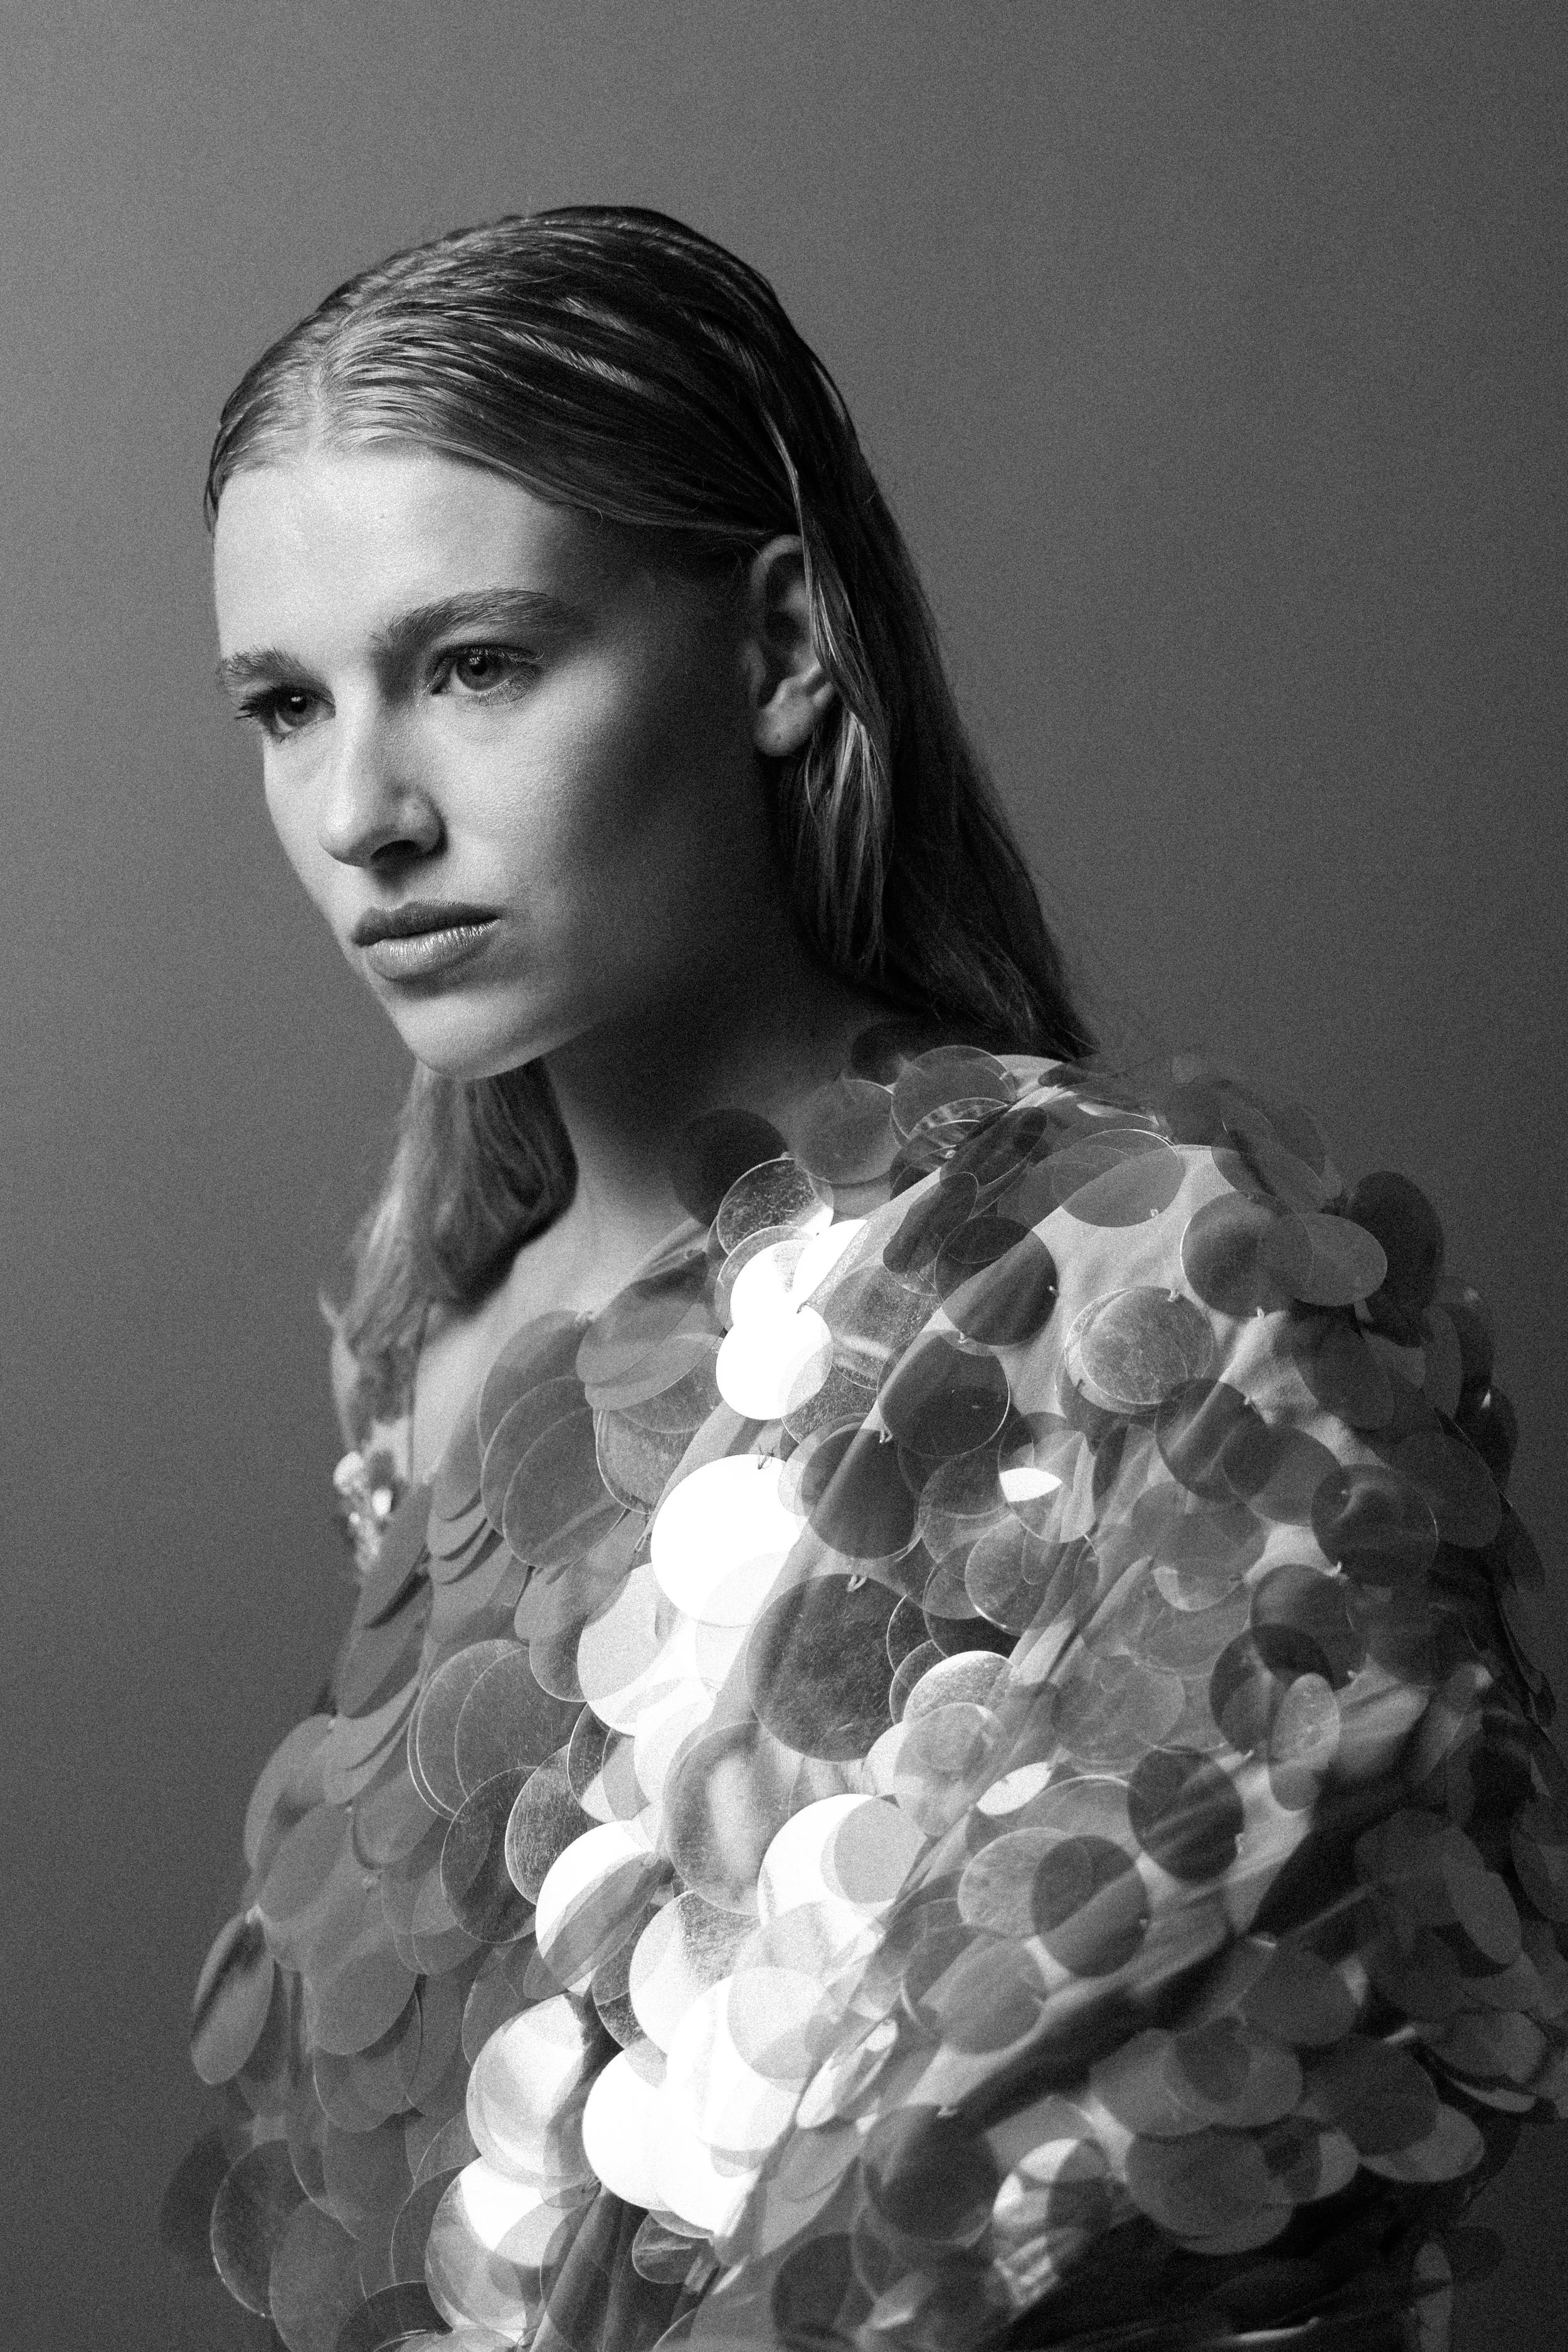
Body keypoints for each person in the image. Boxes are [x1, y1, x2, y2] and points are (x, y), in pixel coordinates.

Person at [171, 206, 1564, 2352]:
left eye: (474, 663)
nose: (363, 807)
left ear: (784, 649)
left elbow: (1202, 2151)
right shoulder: (425, 1350)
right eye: (285, 702)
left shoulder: (1164, 1280)